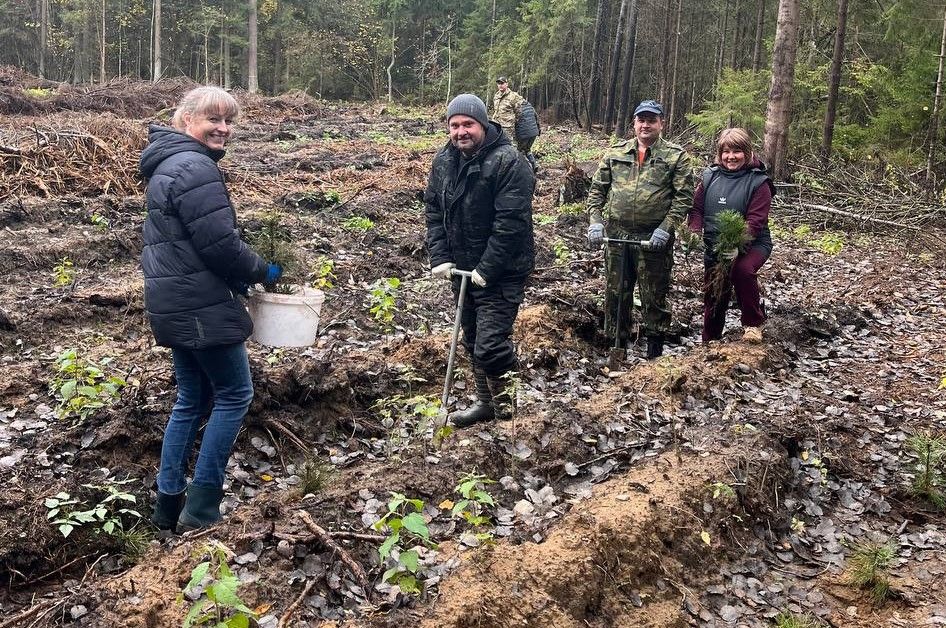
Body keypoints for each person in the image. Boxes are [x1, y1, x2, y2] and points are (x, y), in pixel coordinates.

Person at [139, 86, 282, 533]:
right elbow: (220, 245)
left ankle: (168, 504)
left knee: (190, 398)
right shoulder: (195, 166)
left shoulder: (166, 165)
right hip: (200, 306)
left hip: (174, 301)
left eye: (229, 121)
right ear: (186, 121)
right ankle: (202, 507)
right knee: (234, 394)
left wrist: (239, 275)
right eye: (213, 120)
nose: (223, 129)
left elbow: (191, 243)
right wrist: (263, 270)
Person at [425, 94, 535, 428]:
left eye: (468, 124)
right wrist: (441, 256)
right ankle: (486, 404)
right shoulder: (444, 160)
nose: (461, 132)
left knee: (489, 347)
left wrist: (486, 268)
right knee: (473, 340)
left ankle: (508, 409)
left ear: (483, 124)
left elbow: (511, 225)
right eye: (454, 125)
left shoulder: (509, 162)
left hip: (502, 271)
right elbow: (433, 210)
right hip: (462, 267)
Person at [586, 100, 693, 359]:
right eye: (641, 120)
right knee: (616, 294)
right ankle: (617, 349)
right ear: (634, 123)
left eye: (651, 120)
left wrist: (666, 228)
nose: (646, 125)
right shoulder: (615, 153)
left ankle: (654, 353)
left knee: (654, 295)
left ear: (661, 124)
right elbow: (596, 192)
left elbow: (684, 197)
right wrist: (596, 221)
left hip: (653, 239)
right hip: (617, 236)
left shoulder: (676, 156)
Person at [688, 127, 773, 343]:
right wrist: (694, 232)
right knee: (715, 290)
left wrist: (737, 244)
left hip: (752, 244)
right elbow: (696, 209)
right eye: (726, 152)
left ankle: (753, 324)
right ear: (720, 153)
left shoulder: (759, 182)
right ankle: (710, 338)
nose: (731, 157)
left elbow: (756, 221)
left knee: (742, 270)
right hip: (715, 245)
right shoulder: (710, 177)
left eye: (737, 151)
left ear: (747, 152)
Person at [492, 77, 538, 171]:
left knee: (513, 149)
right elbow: (496, 110)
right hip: (498, 126)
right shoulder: (496, 96)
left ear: (507, 84)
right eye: (499, 83)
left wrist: (514, 121)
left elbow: (519, 111)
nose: (500, 85)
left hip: (509, 127)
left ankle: (517, 169)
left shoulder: (513, 96)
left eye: (502, 83)